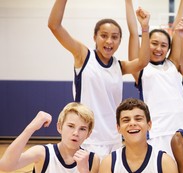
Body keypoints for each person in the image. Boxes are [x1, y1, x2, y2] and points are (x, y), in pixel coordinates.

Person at [48, 0, 151, 159]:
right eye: (104, 36)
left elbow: (143, 62)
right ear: (95, 37)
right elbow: (54, 26)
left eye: (114, 37)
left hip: (114, 139)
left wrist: (145, 28)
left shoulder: (118, 66)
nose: (109, 41)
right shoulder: (83, 56)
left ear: (119, 41)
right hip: (88, 139)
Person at [126, 0, 183, 157]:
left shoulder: (172, 64)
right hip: (158, 132)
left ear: (168, 49)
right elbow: (133, 33)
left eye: (163, 45)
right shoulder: (141, 68)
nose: (158, 48)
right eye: (154, 43)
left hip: (182, 129)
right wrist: (128, 3)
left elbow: (178, 27)